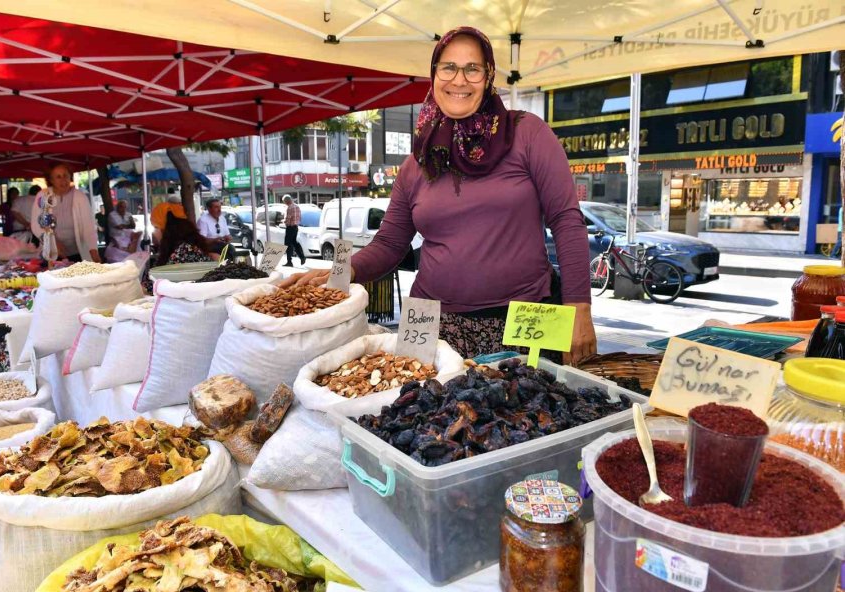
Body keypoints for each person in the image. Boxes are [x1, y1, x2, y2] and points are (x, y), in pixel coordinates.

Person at [283, 27, 596, 365]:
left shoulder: (527, 133)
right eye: (448, 67)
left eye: (472, 68)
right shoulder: (417, 162)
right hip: (430, 320)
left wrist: (579, 306)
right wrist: (339, 272)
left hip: (525, 317)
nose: (459, 80)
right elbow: (390, 244)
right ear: (433, 76)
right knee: (421, 413)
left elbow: (566, 220)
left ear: (488, 75)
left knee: (532, 413)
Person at [30, 163, 101, 263]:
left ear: (70, 177)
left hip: (77, 252)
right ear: (51, 180)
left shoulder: (80, 197)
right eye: (58, 177)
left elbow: (88, 226)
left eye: (65, 176)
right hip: (51, 253)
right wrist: (52, 243)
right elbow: (36, 225)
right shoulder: (43, 195)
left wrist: (93, 250)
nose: (63, 180)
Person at [143, 214, 219, 293]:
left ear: (168, 232)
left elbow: (153, 285)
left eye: (156, 228)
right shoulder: (190, 248)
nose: (154, 233)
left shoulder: (184, 251)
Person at [282, 195, 306, 267]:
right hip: (295, 227)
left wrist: (284, 222)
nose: (285, 203)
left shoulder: (289, 208)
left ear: (286, 201)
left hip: (290, 227)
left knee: (288, 244)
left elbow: (288, 219)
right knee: (294, 242)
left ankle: (289, 261)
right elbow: (300, 218)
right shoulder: (297, 206)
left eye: (284, 202)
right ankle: (302, 257)